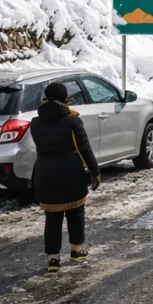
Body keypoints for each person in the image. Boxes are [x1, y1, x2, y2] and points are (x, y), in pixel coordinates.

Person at [30, 82, 101, 272]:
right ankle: (77, 251)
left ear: (45, 99)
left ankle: (53, 259)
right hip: (72, 174)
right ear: (65, 100)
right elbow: (84, 149)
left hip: (45, 174)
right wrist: (95, 172)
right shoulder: (73, 121)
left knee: (52, 218)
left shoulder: (35, 123)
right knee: (75, 213)